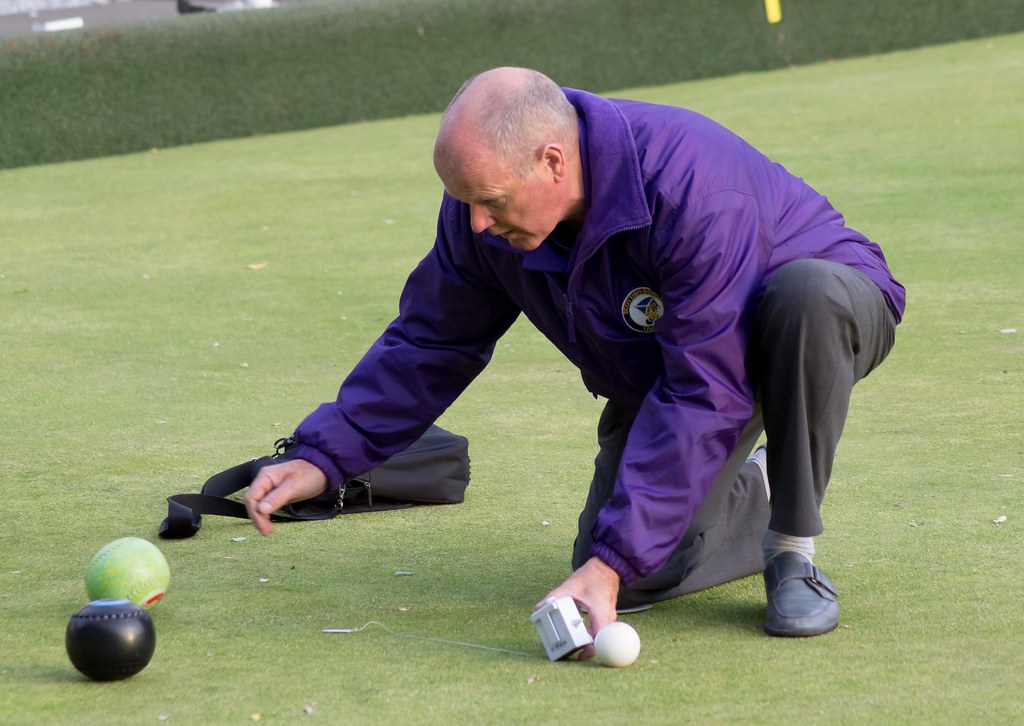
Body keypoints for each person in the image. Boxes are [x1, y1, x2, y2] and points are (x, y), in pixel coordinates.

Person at [244, 66, 905, 654]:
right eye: (467, 202)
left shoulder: (692, 189)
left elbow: (705, 390)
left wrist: (613, 560)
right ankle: (757, 488)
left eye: (490, 201)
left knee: (803, 297)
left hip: (817, 317)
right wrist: (324, 456)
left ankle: (792, 550)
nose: (477, 223)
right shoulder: (483, 207)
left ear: (553, 163)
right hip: (676, 363)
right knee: (631, 570)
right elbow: (430, 340)